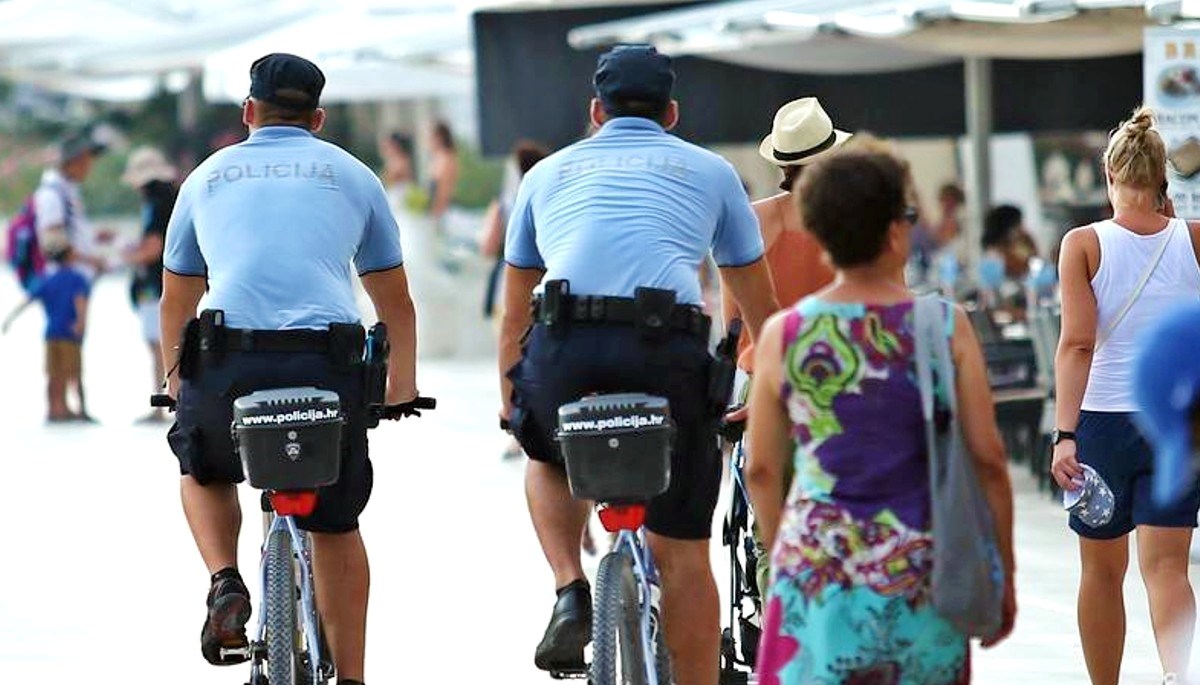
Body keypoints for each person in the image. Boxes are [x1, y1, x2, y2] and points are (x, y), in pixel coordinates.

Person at [499, 45, 779, 684]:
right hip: (667, 351)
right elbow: (765, 316)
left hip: (565, 342)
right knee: (684, 552)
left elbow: (516, 309)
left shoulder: (546, 174)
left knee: (542, 451)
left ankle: (570, 587)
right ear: (672, 113)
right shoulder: (712, 173)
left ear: (595, 111)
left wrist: (510, 402)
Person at [160, 53, 419, 685]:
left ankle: (225, 578)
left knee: (203, 465)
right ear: (319, 118)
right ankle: (353, 675)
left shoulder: (206, 176)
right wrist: (400, 388)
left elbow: (177, 299)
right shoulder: (355, 176)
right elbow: (395, 305)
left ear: (249, 112)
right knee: (336, 521)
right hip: (325, 362)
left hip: (227, 364)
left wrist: (174, 382)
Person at [746, 150, 1017, 684]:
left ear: (820, 239)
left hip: (816, 569)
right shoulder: (945, 325)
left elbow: (761, 469)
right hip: (920, 570)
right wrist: (1000, 572)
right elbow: (988, 458)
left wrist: (787, 562)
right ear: (898, 232)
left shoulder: (784, 333)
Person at [1051, 106, 1200, 685]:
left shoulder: (1083, 244)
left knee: (1100, 570)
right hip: (1174, 424)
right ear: (1161, 177)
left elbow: (1076, 345)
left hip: (1102, 425)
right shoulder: (1193, 239)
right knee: (1167, 570)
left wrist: (1065, 435)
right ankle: (1178, 678)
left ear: (1110, 177)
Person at [721, 97, 846, 371]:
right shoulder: (860, 219)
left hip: (763, 376)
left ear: (782, 164)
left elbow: (731, 323)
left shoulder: (750, 219)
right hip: (842, 372)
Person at [121, 147, 178, 424]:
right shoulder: (172, 201)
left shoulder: (156, 206)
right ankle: (169, 398)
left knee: (159, 347)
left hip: (155, 285)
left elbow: (153, 249)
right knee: (167, 344)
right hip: (170, 282)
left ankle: (163, 400)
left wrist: (123, 256)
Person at [2, 246, 90, 423]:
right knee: (74, 373)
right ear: (70, 257)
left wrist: (9, 319)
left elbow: (28, 300)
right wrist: (81, 323)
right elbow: (79, 301)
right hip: (69, 332)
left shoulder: (47, 279)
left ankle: (54, 409)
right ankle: (81, 410)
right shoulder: (77, 278)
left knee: (53, 374)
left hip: (51, 333)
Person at [35, 131, 110, 281]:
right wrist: (92, 261)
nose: (89, 166)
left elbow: (68, 232)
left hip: (75, 281)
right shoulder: (52, 194)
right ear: (75, 161)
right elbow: (54, 245)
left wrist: (92, 236)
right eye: (87, 160)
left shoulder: (67, 190)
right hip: (66, 282)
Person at [427, 120, 458, 224]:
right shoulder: (437, 159)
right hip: (437, 213)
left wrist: (436, 215)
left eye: (431, 137)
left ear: (439, 138)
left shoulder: (446, 159)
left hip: (443, 214)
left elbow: (444, 192)